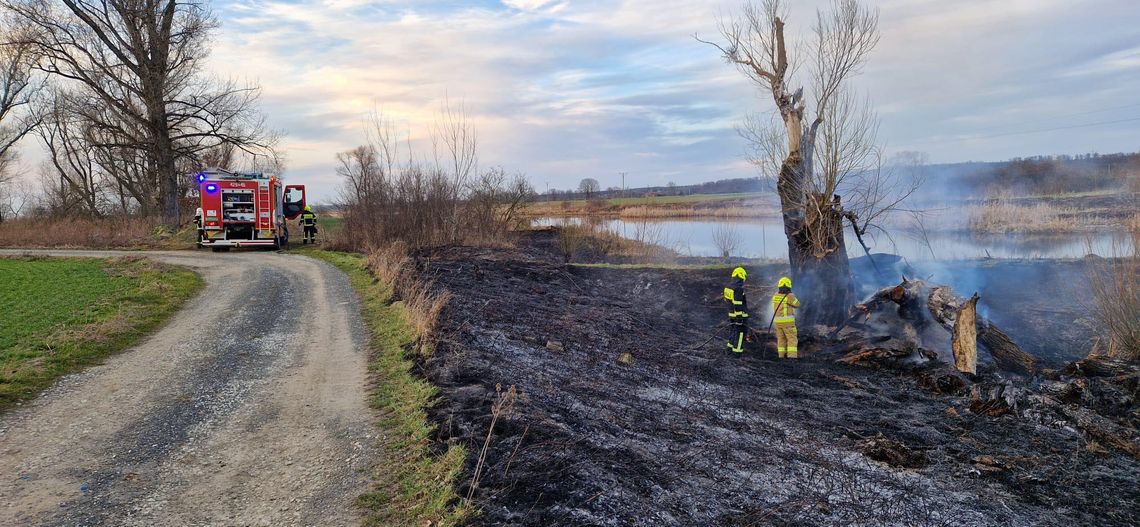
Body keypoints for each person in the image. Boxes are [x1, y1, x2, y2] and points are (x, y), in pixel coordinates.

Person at [771, 276, 802, 358]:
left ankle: (781, 356)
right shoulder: (789, 296)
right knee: (792, 339)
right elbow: (797, 304)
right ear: (789, 286)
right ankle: (792, 357)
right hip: (787, 323)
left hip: (778, 323)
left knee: (781, 339)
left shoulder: (775, 296)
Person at [723, 266, 749, 355]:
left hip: (731, 314)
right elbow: (738, 304)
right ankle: (737, 353)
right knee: (740, 334)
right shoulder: (738, 289)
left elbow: (727, 301)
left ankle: (729, 349)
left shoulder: (728, 287)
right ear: (741, 276)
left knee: (733, 331)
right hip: (739, 316)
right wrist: (740, 318)